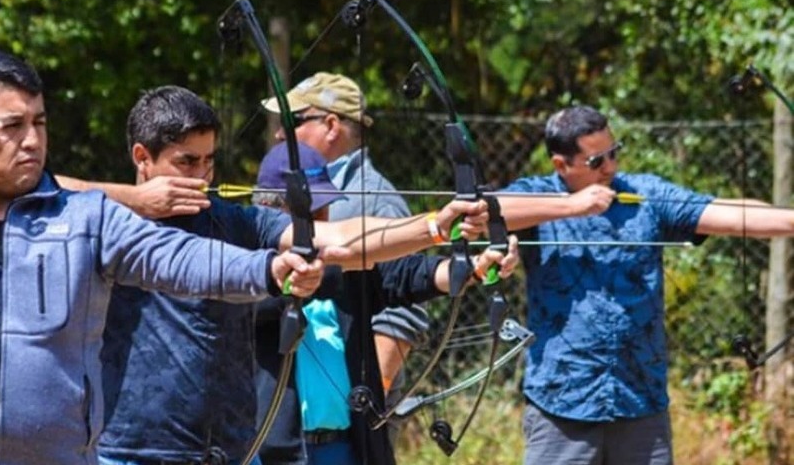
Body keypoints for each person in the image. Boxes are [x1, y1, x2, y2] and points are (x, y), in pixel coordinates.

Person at [55, 85, 490, 465]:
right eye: (186, 162)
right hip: (131, 450)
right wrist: (137, 199)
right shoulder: (105, 222)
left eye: (208, 162)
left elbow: (337, 240)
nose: (202, 176)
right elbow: (35, 186)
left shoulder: (234, 221)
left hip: (231, 449)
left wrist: (433, 226)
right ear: (142, 158)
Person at [0, 50, 329, 465]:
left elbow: (178, 257)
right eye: (13, 126)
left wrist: (266, 269)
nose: (33, 140)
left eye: (39, 123)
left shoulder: (85, 218)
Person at [494, 105, 794, 465]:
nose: (610, 167)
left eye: (613, 153)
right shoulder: (537, 196)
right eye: (596, 162)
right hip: (562, 404)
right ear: (561, 165)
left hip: (640, 400)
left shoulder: (645, 195)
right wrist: (571, 207)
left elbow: (730, 215)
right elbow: (485, 211)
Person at [252, 141, 519, 465]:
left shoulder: (344, 271)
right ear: (275, 214)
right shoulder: (246, 276)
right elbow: (269, 301)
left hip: (347, 448)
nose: (325, 218)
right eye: (311, 213)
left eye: (325, 208)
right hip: (272, 454)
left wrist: (474, 267)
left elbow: (406, 275)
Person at [261, 72, 429, 451]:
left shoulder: (375, 201)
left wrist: (361, 410)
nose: (278, 135)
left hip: (348, 428)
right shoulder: (304, 186)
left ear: (331, 125)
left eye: (292, 122)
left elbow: (401, 317)